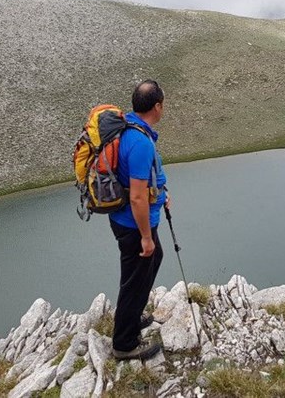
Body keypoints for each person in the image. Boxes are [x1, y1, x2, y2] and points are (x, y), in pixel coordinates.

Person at [108, 79, 168, 360]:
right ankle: (124, 343)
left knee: (152, 261)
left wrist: (160, 194)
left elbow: (143, 187)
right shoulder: (140, 142)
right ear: (157, 106)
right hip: (134, 224)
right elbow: (137, 198)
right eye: (162, 104)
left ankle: (130, 318)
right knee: (136, 275)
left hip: (125, 220)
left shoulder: (129, 128)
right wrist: (145, 236)